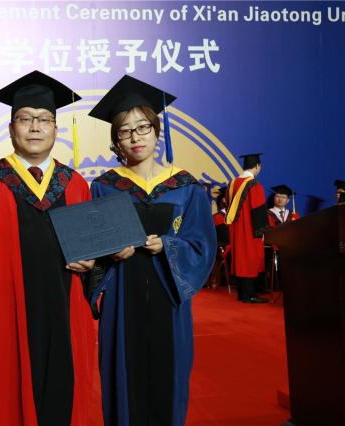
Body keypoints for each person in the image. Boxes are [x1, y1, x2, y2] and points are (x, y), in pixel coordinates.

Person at [0, 70, 95, 425]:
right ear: (11, 128)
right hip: (6, 314)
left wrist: (94, 265)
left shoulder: (75, 183)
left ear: (55, 129)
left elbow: (91, 252)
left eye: (44, 119)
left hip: (66, 310)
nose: (35, 127)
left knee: (66, 393)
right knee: (10, 397)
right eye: (25, 119)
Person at [87, 75, 216, 426]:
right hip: (121, 299)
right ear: (116, 140)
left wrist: (168, 246)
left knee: (167, 377)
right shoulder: (104, 187)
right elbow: (91, 251)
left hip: (168, 298)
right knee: (123, 378)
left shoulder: (186, 187)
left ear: (157, 131)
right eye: (125, 131)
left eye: (143, 127)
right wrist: (110, 255)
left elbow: (202, 246)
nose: (136, 137)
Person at [225, 153, 269, 303]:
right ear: (257, 166)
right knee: (250, 257)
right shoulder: (254, 185)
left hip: (235, 228)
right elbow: (258, 210)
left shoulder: (232, 183)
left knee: (240, 258)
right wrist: (262, 232)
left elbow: (227, 204)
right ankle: (250, 294)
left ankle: (242, 294)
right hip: (250, 228)